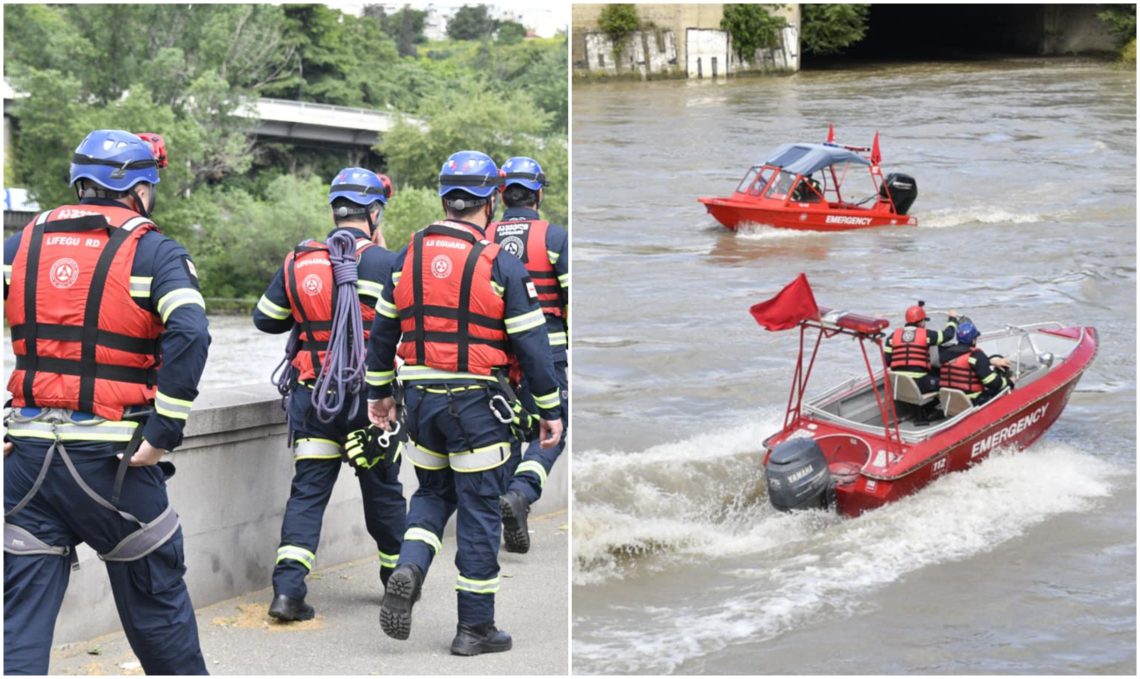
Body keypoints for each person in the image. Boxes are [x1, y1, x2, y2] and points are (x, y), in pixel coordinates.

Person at [3, 129, 210, 674]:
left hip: (25, 464)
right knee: (158, 608)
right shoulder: (153, 249)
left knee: (18, 625)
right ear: (138, 190)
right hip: (112, 465)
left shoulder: (21, 244)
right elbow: (190, 331)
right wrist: (165, 428)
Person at [366, 150, 564, 656]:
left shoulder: (405, 257)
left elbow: (383, 334)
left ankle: (409, 565)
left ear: (444, 199)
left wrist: (379, 395)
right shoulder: (500, 263)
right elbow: (533, 348)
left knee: (431, 496)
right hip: (478, 406)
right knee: (478, 511)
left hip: (420, 404)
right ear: (490, 201)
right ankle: (474, 628)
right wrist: (549, 410)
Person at [253, 168, 407, 622]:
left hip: (314, 397)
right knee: (382, 492)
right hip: (369, 402)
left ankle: (287, 593)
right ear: (374, 213)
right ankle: (395, 583)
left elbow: (266, 319)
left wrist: (313, 311)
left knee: (308, 495)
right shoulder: (387, 264)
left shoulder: (299, 260)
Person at [485, 156, 568, 554]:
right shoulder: (554, 237)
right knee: (551, 431)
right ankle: (520, 494)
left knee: (507, 434)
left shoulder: (482, 237)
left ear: (501, 194)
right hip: (547, 352)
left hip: (497, 357)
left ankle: (510, 513)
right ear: (537, 193)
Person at [884, 303, 960, 393]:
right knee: (949, 382)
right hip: (919, 382)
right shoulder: (927, 335)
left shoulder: (893, 336)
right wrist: (952, 319)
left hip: (899, 382)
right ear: (921, 322)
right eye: (924, 321)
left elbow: (887, 361)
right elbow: (948, 334)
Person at [939, 321, 1012, 407]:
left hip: (950, 401)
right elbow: (992, 382)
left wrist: (990, 361)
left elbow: (964, 362)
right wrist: (1008, 380)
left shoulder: (945, 352)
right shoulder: (976, 355)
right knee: (1004, 386)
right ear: (973, 340)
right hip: (972, 401)